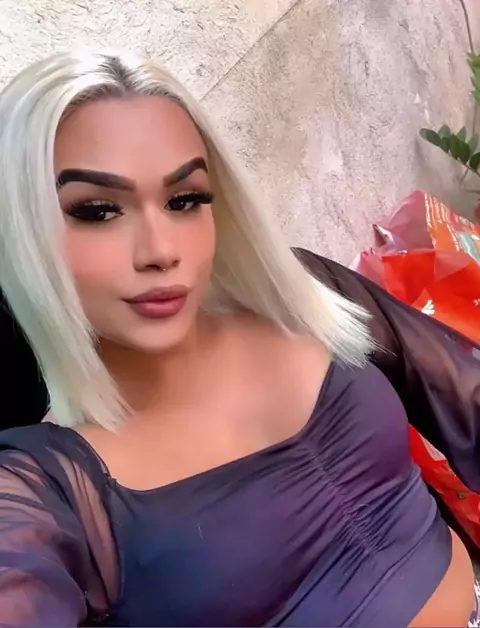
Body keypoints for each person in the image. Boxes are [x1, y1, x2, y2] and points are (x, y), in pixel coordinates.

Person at [0, 49, 475, 627]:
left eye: (184, 200)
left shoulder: (300, 295)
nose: (161, 251)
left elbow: (464, 392)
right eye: (97, 211)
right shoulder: (44, 488)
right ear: (23, 230)